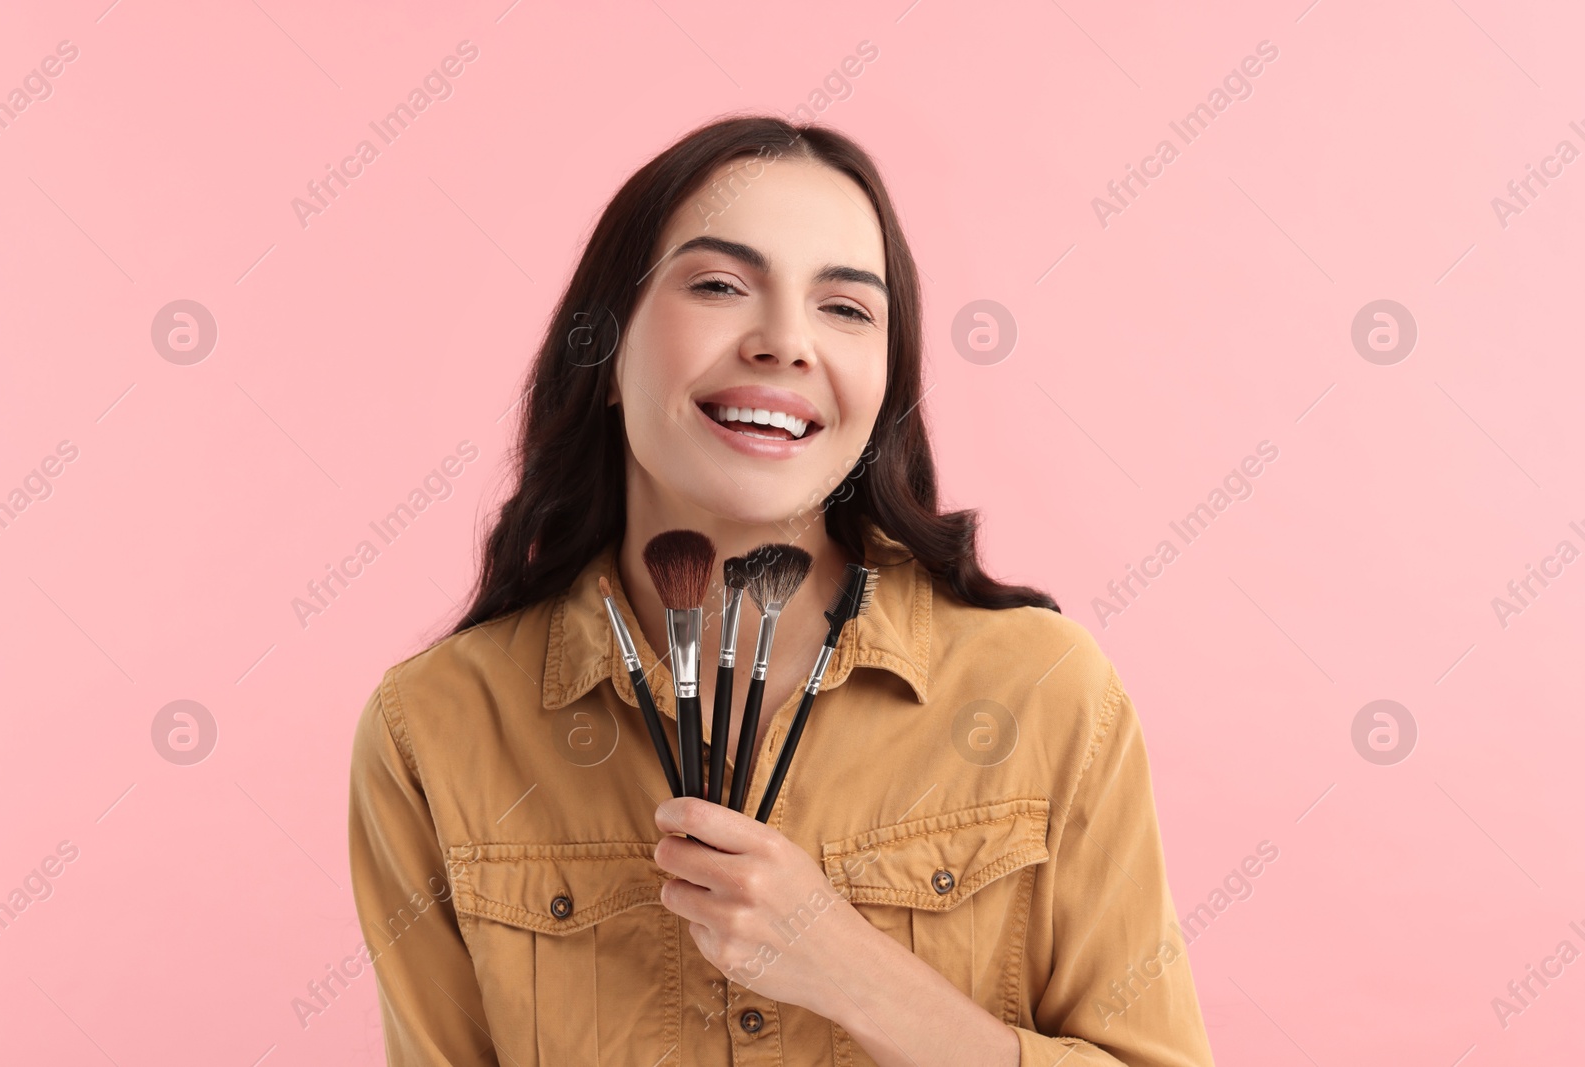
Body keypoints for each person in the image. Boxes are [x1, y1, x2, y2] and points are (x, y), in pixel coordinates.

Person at [347, 114, 1216, 1066]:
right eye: (720, 285)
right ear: (603, 351)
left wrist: (850, 969)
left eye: (846, 308)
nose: (786, 342)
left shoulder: (1046, 693)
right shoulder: (434, 726)